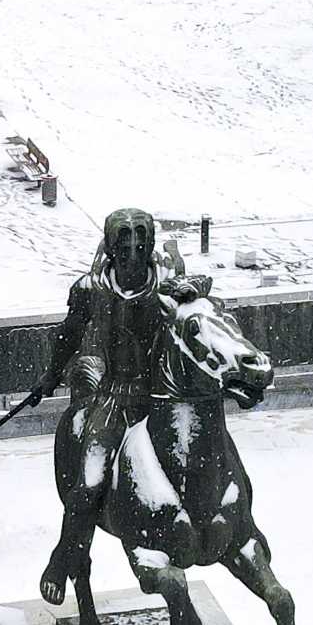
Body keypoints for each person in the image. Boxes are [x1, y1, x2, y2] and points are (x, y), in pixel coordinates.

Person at [32, 208, 201, 602]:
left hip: (161, 397)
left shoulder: (166, 283)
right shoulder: (90, 289)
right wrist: (50, 375)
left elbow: (199, 311)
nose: (132, 247)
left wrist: (194, 288)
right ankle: (63, 557)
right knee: (89, 485)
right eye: (123, 239)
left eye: (140, 237)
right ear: (110, 245)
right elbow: (68, 336)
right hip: (114, 399)